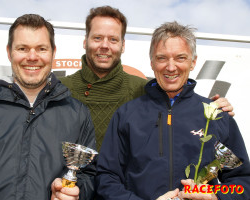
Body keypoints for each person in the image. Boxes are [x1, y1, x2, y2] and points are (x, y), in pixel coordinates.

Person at [96, 21, 250, 200]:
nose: (170, 67)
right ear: (152, 62)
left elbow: (242, 183)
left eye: (180, 58)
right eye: (162, 58)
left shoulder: (217, 116)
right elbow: (106, 179)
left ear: (193, 62)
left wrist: (214, 196)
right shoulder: (127, 115)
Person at [0, 14, 96, 200]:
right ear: (9, 52)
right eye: (22, 48)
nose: (32, 57)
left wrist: (77, 193)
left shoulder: (78, 113)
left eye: (41, 48)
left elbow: (89, 175)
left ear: (53, 52)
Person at [59, 6, 234, 151]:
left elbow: (180, 106)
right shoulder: (60, 89)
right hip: (69, 190)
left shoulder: (143, 89)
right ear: (85, 41)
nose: (105, 46)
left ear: (123, 45)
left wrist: (211, 111)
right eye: (97, 38)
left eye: (113, 39)